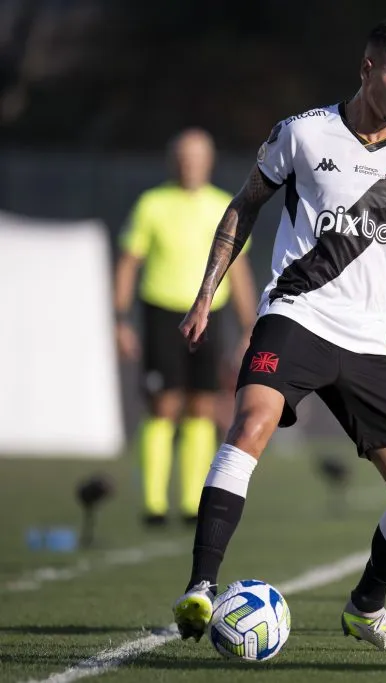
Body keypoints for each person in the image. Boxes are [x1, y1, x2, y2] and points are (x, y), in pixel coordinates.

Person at [170, 18, 386, 654]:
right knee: (249, 426)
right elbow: (244, 205)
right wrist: (206, 294)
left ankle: (366, 608)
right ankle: (200, 588)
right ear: (366, 69)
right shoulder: (302, 133)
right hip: (296, 315)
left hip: (369, 343)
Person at [114, 128, 257, 527]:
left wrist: (250, 326)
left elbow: (239, 269)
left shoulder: (223, 205)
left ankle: (194, 503)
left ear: (208, 161)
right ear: (171, 160)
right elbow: (128, 263)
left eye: (196, 157)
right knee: (163, 403)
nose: (189, 164)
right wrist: (120, 320)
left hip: (211, 314)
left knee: (203, 404)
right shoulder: (152, 204)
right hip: (163, 311)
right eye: (183, 156)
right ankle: (154, 504)